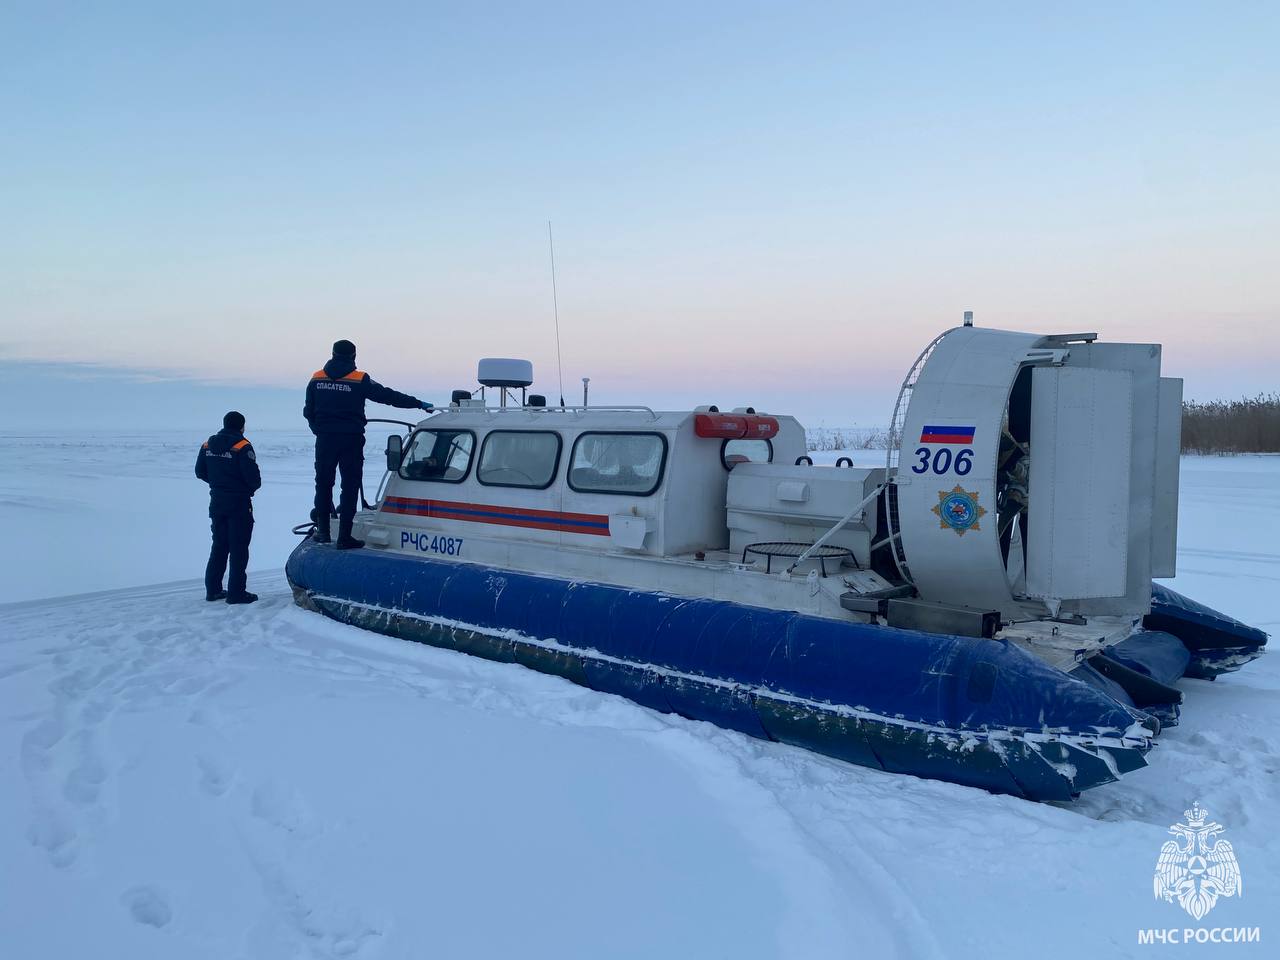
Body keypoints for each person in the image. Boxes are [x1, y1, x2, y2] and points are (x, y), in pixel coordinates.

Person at [304, 339, 432, 549]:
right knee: (350, 486)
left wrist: (318, 429)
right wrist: (417, 404)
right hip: (351, 439)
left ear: (332, 354)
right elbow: (388, 396)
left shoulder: (316, 379)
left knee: (323, 485)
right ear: (353, 356)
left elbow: (308, 411)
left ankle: (324, 532)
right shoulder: (359, 379)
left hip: (325, 439)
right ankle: (344, 536)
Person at [195, 411, 262, 604]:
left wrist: (218, 484)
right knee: (239, 548)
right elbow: (253, 479)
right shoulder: (242, 446)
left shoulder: (207, 445)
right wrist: (241, 488)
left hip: (217, 502)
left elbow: (200, 471)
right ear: (241, 426)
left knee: (219, 546)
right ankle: (236, 593)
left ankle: (213, 589)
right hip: (239, 503)